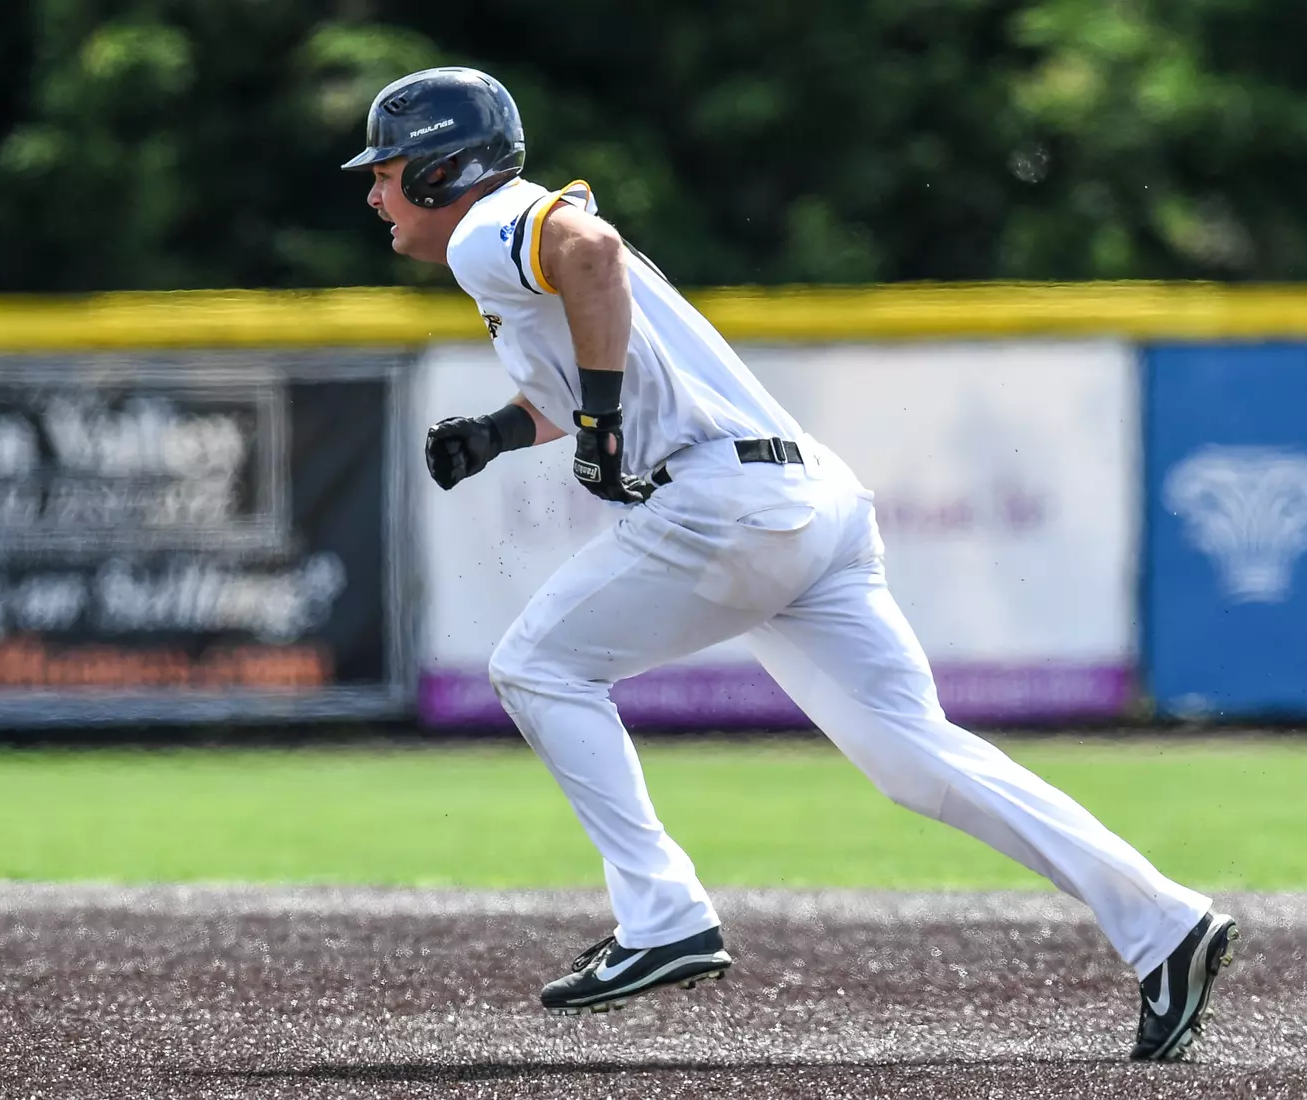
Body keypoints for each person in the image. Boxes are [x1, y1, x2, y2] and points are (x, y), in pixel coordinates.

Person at [342, 66, 1239, 1061]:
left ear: (438, 171)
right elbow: (597, 341)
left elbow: (589, 257)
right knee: (914, 757)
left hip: (723, 502)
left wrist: (594, 423)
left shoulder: (485, 229)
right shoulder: (508, 239)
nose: (373, 194)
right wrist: (503, 432)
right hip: (806, 500)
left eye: (384, 171)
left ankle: (660, 915)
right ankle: (1164, 924)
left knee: (535, 665)